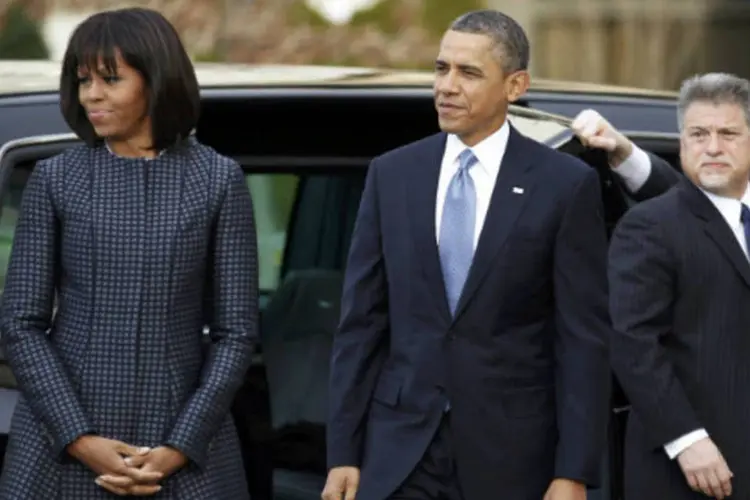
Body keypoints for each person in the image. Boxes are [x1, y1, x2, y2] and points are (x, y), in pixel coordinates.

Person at [323, 10, 612, 500]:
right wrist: (343, 454)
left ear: (515, 85)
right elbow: (361, 325)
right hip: (399, 454)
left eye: (469, 73)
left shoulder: (564, 185)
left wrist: (573, 472)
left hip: (513, 459)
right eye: (441, 69)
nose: (447, 86)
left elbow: (581, 340)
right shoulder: (392, 174)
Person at [0, 8, 257, 499]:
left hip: (184, 451)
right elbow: (21, 324)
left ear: (156, 80)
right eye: (83, 81)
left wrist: (179, 446)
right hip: (63, 447)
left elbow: (236, 333)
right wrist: (79, 438)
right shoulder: (57, 179)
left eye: (110, 79)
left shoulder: (218, 180)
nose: (92, 95)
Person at [608, 72, 750, 500]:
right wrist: (686, 439)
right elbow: (632, 342)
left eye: (728, 133)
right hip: (690, 471)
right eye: (698, 133)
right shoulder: (650, 225)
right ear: (682, 140)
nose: (712, 147)